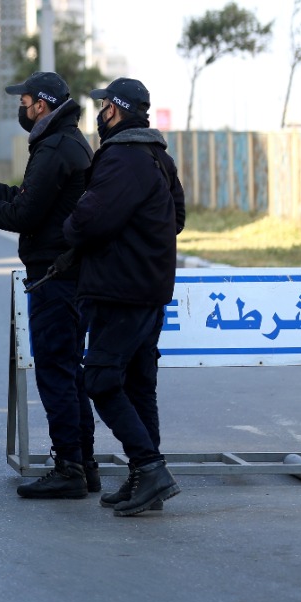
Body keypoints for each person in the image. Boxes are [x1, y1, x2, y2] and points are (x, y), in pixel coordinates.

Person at [0, 70, 99, 499]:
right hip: (63, 272)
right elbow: (25, 196)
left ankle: (70, 466)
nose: (21, 108)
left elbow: (26, 215)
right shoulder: (63, 142)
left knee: (56, 371)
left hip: (56, 275)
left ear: (42, 106)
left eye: (24, 101)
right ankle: (83, 464)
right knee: (69, 372)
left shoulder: (55, 147)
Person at [63, 77, 187, 517]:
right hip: (149, 288)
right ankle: (143, 478)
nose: (99, 115)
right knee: (137, 384)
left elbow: (88, 221)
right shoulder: (158, 156)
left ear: (113, 110)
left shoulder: (121, 158)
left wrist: (76, 228)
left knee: (99, 378)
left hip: (121, 290)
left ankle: (150, 467)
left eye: (102, 107)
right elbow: (178, 217)